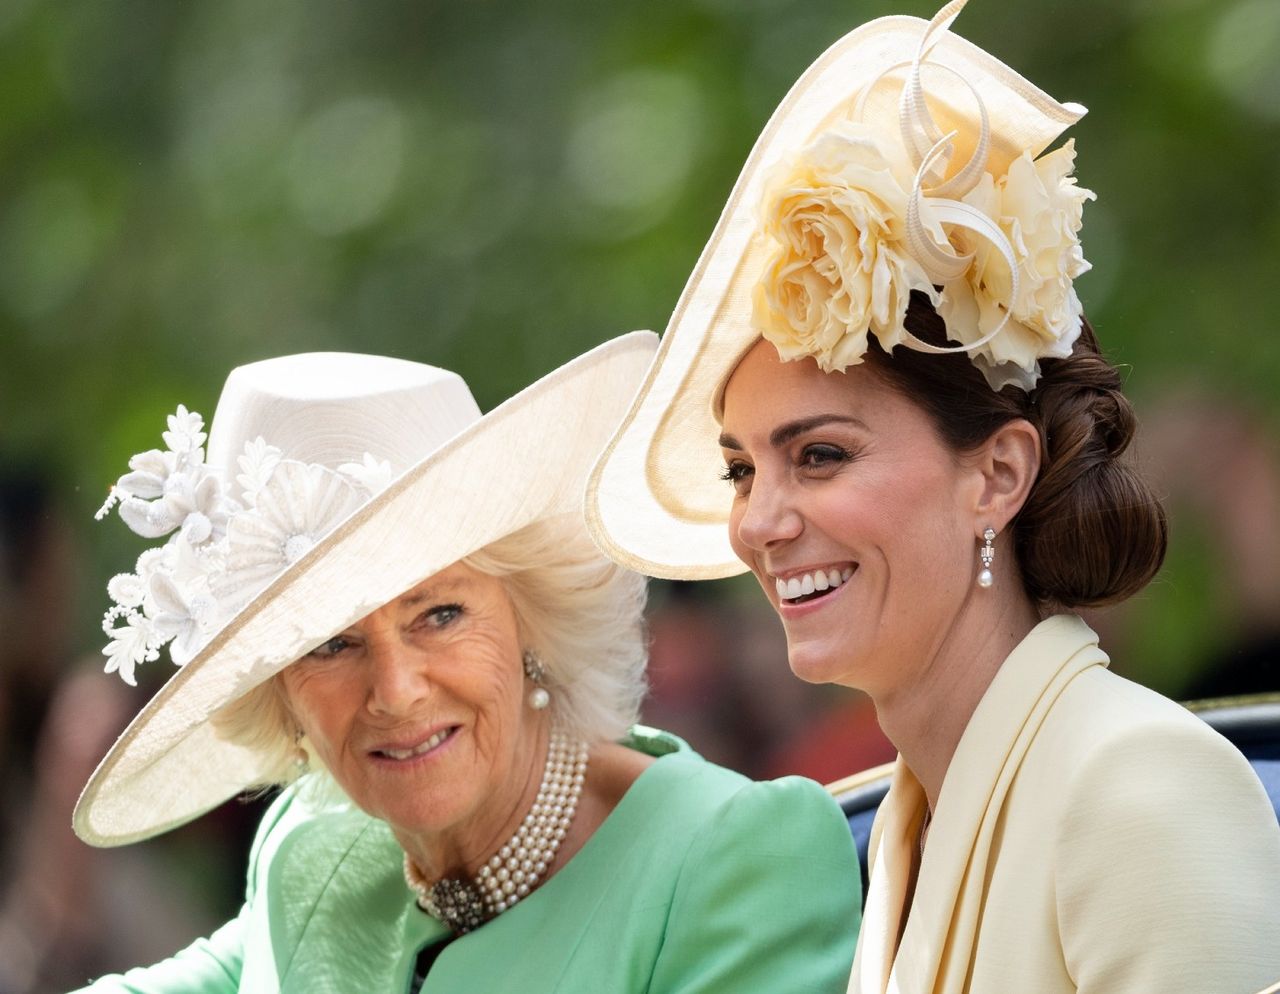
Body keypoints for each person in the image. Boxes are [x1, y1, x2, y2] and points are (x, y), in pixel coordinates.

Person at [585, 3, 1280, 992]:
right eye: (742, 468)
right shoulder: (908, 812)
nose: (757, 519)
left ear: (994, 474)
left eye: (817, 456)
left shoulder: (1134, 785)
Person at [70, 335, 862, 992]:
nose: (397, 691)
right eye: (330, 644)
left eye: (439, 615)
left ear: (531, 620)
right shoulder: (318, 846)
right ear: (276, 691)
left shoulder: (739, 857)